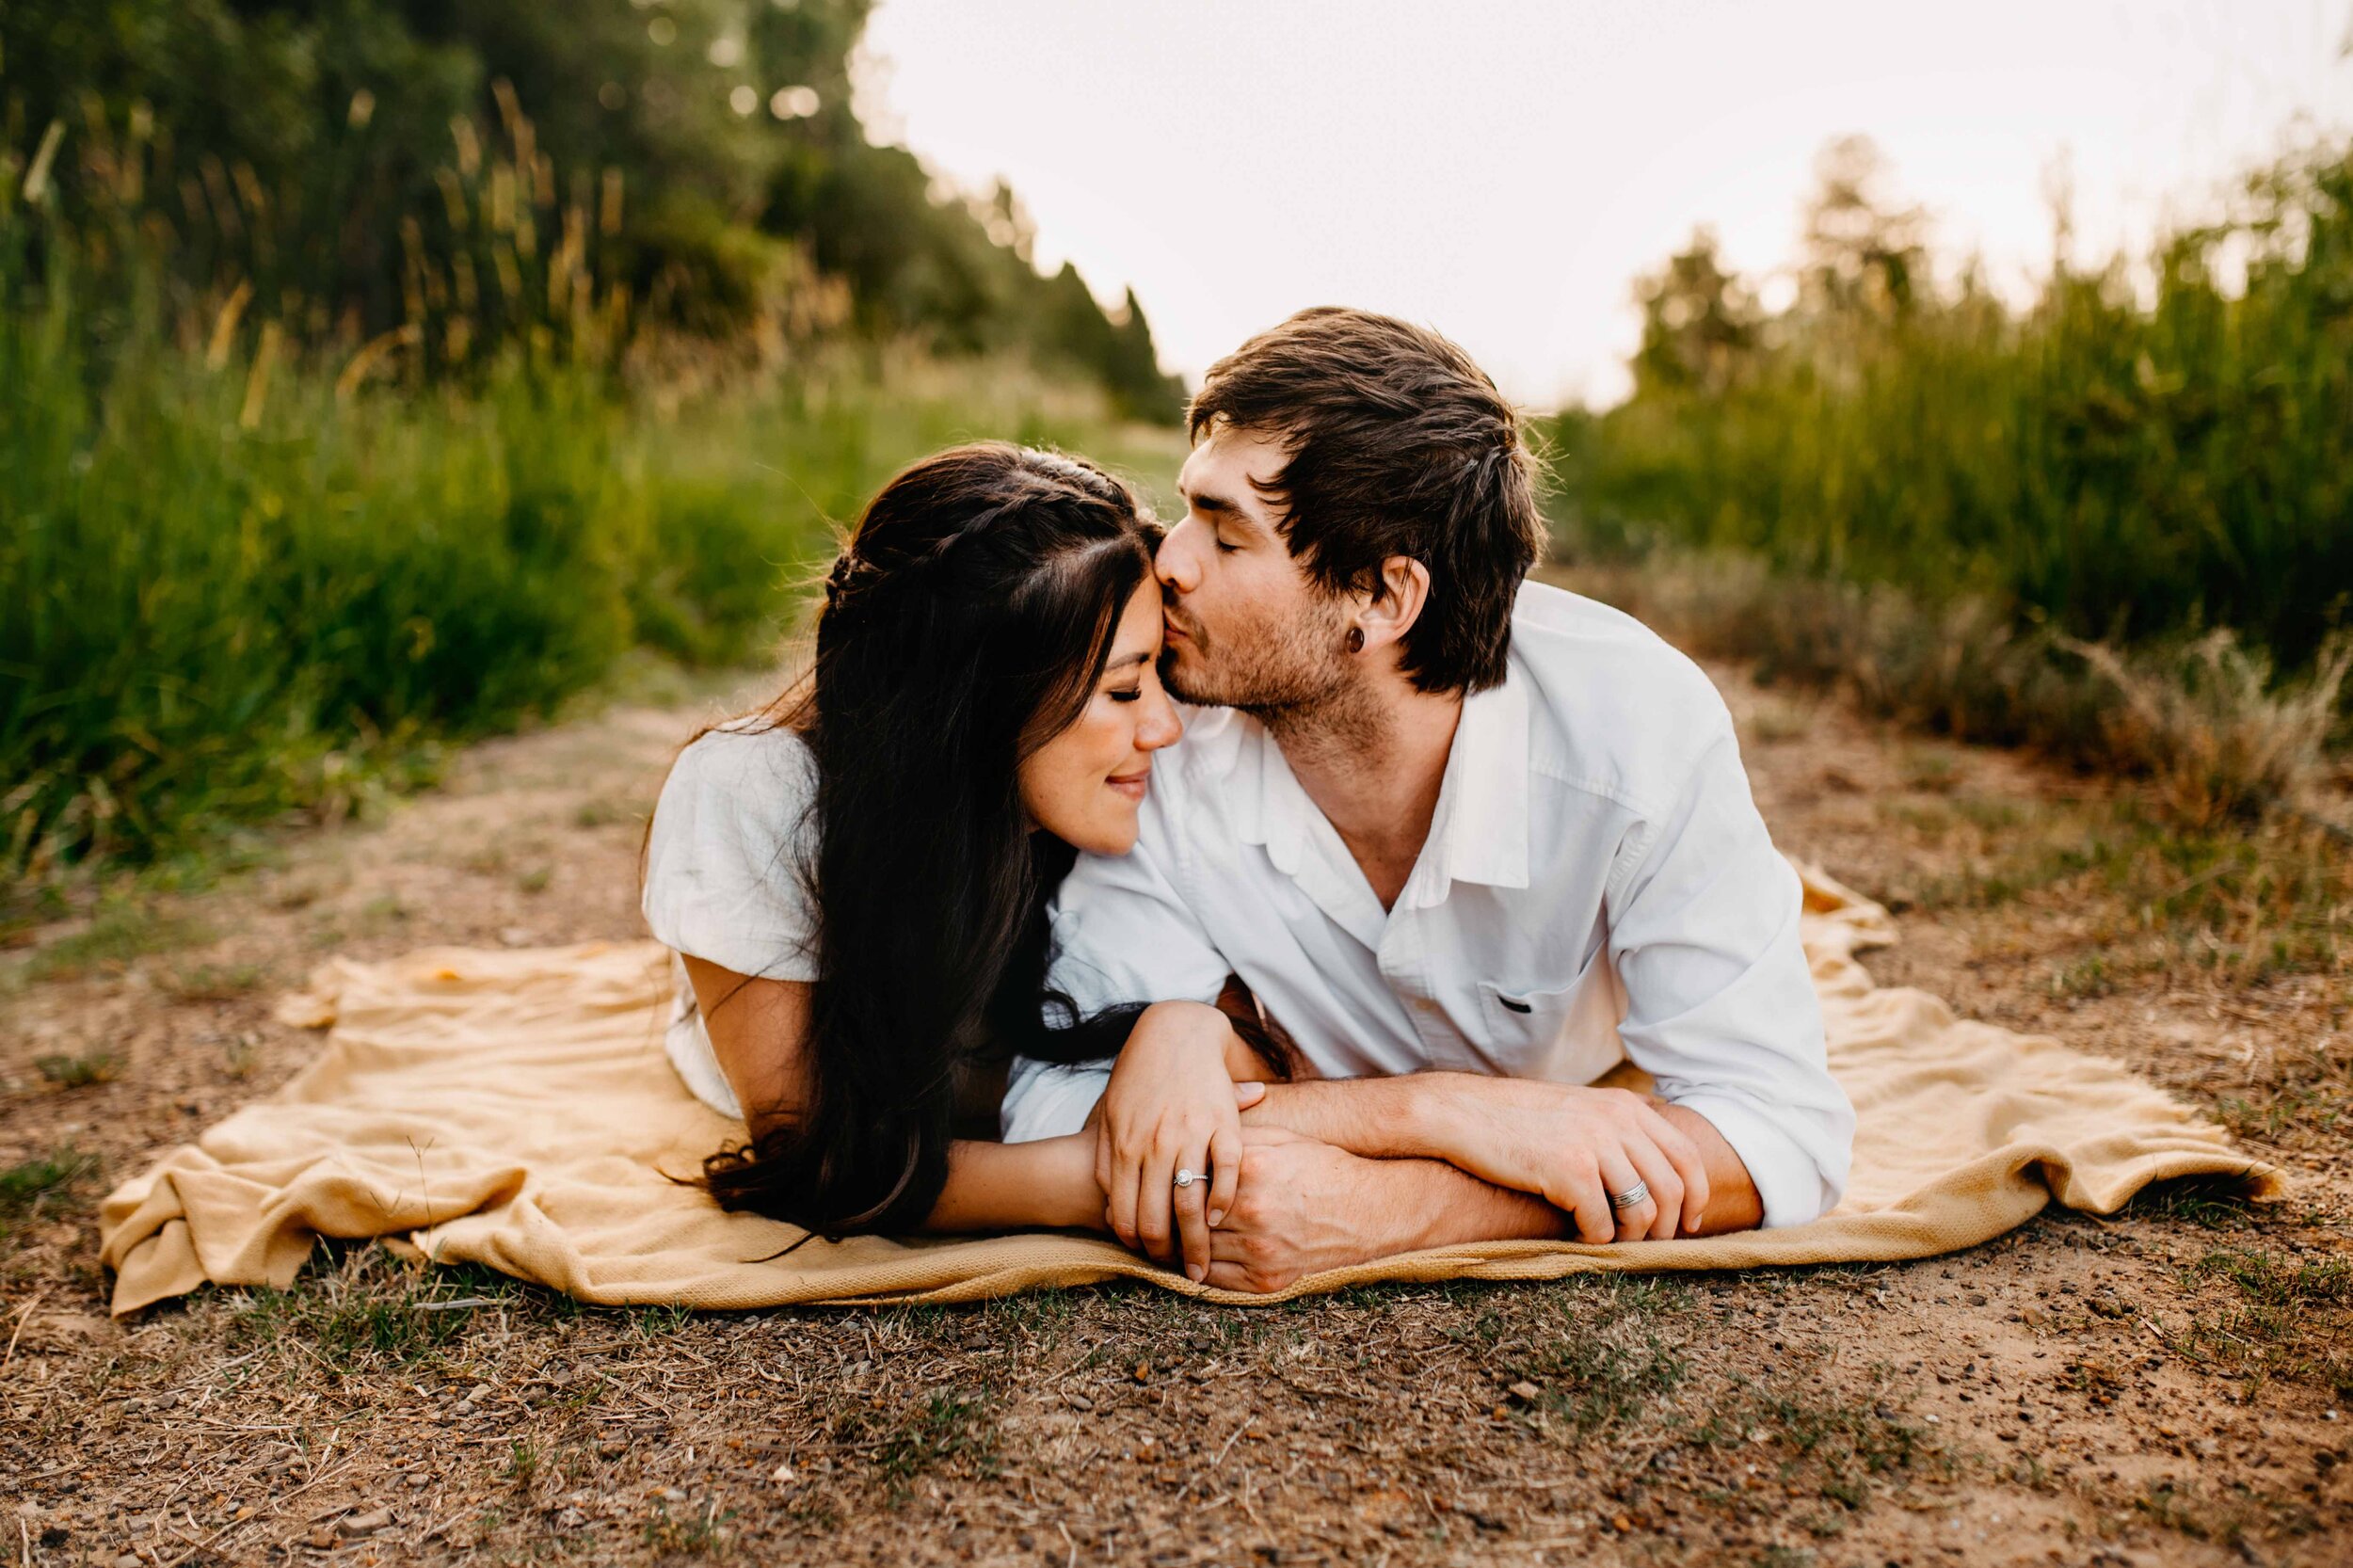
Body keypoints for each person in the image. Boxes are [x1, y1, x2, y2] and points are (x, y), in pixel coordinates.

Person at [1001, 308, 1856, 1292]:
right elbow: (1061, 1113)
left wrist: (1404, 1212)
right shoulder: (1162, 741)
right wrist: (1436, 1112)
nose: (1170, 562)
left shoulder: (1631, 731)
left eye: (1227, 537)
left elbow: (1779, 1126)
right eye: (1187, 510)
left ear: (1383, 597)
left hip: (1591, 1062)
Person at [639, 442, 1285, 1239]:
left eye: (1161, 674)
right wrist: (1109, 1183)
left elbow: (1265, 1052)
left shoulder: (1124, 793)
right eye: (1123, 688)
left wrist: (1190, 1033)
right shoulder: (754, 794)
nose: (1164, 726)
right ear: (978, 702)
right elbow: (806, 1148)